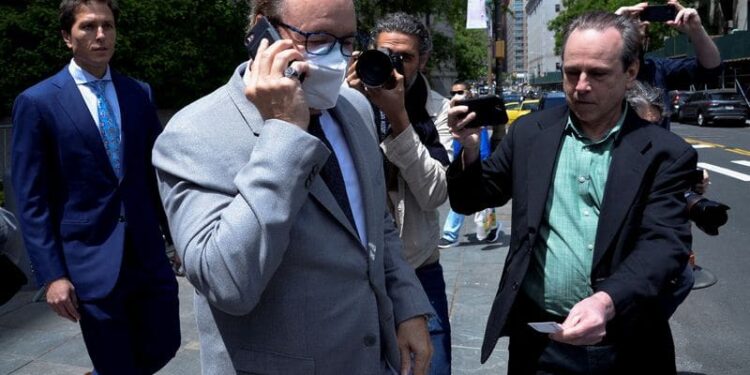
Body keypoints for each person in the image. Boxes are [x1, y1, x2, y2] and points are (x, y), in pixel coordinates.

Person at [151, 0, 433, 374]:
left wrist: (407, 304)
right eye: (317, 39)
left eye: (348, 41)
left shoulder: (356, 108)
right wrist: (283, 132)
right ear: (261, 31)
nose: (335, 57)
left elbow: (375, 221)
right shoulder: (193, 133)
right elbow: (226, 282)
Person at [447, 12, 696, 374]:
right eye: (570, 72)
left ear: (630, 73)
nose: (580, 86)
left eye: (597, 74)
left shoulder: (665, 152)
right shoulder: (530, 134)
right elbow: (472, 199)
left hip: (627, 345)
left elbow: (664, 246)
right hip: (539, 345)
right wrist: (468, 150)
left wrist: (606, 302)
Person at [10, 1, 180, 374]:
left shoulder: (138, 93)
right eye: (88, 27)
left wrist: (178, 238)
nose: (100, 35)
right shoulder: (38, 103)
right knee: (116, 361)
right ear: (67, 38)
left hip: (147, 256)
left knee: (166, 343)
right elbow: (31, 198)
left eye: (107, 25)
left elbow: (157, 175)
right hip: (90, 261)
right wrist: (52, 274)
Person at [345, 12, 451, 374]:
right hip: (352, 272)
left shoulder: (438, 109)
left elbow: (435, 193)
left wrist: (399, 118)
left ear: (422, 60)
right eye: (385, 54)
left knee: (429, 367)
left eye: (404, 58)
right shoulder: (341, 103)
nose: (394, 65)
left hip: (418, 268)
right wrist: (344, 97)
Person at [616, 0, 722, 129]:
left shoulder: (658, 68)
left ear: (646, 41)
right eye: (634, 18)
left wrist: (696, 30)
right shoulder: (601, 70)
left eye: (642, 18)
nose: (643, 22)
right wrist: (613, 24)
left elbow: (710, 68)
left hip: (656, 146)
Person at [438, 81, 499, 249]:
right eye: (453, 92)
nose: (456, 95)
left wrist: (483, 164)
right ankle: (491, 228)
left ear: (469, 93)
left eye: (460, 92)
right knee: (476, 199)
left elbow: (483, 144)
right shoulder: (450, 112)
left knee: (474, 198)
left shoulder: (475, 117)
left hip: (476, 164)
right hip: (458, 164)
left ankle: (451, 234)